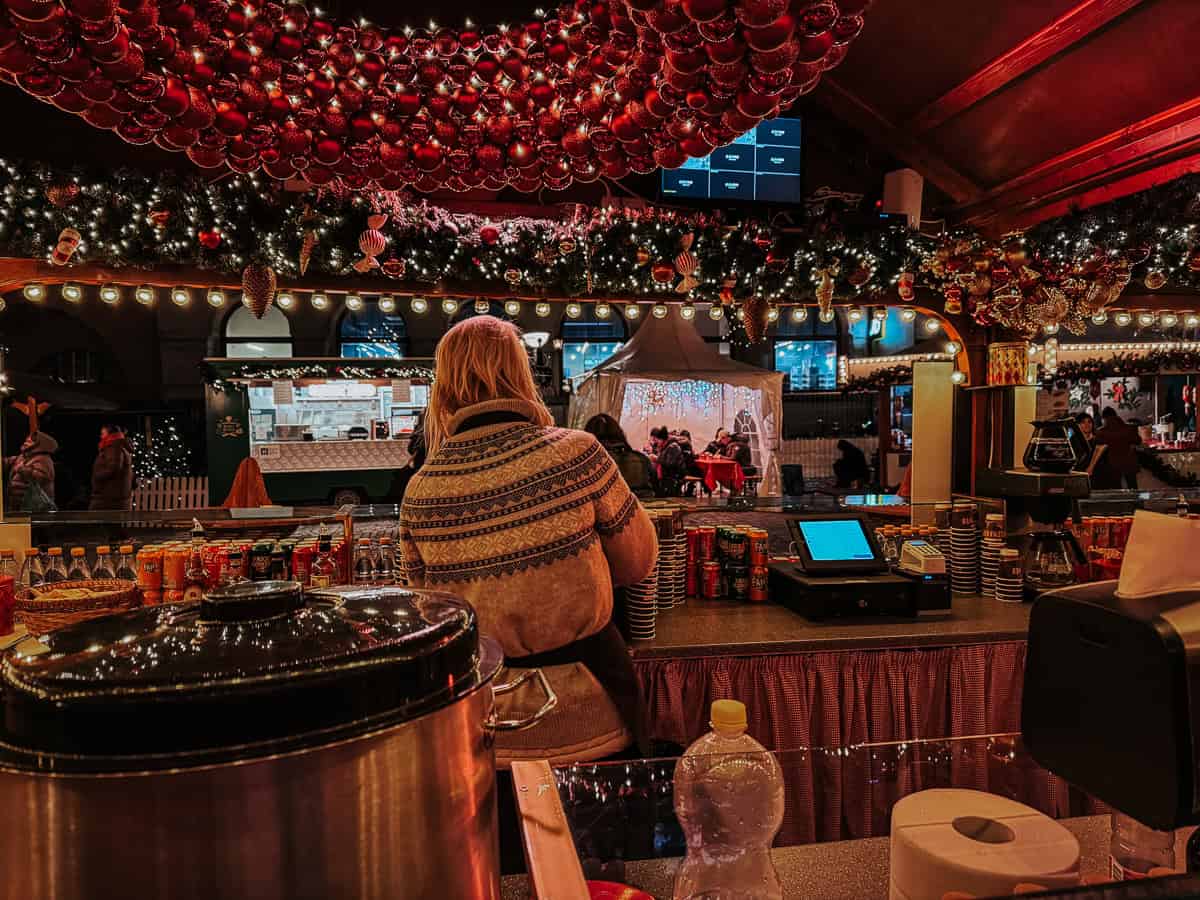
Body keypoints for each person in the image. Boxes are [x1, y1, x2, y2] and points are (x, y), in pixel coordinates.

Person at [399, 316, 657, 770]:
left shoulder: (421, 490)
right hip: (589, 717)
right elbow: (638, 562)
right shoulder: (577, 453)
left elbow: (430, 611)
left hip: (483, 723)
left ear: (443, 389)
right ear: (522, 376)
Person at [584, 413, 656, 498]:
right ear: (619, 433)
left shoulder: (586, 465)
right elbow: (657, 489)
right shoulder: (642, 459)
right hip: (644, 508)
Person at [5, 431, 57, 513]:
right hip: (19, 505)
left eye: (29, 441)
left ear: (39, 445)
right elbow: (8, 461)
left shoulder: (44, 459)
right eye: (26, 441)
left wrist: (22, 469)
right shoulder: (24, 456)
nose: (26, 443)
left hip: (34, 506)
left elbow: (42, 477)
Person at [1094, 407, 1142, 490]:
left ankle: (1121, 502)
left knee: (1116, 488)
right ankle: (1138, 502)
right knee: (1133, 486)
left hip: (1112, 464)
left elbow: (1097, 446)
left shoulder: (1101, 431)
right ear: (1116, 415)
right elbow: (1138, 441)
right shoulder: (1129, 428)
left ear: (1104, 418)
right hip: (1129, 462)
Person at [90, 424, 134, 510]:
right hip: (115, 496)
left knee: (96, 520)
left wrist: (97, 477)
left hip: (109, 497)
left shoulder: (113, 447)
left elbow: (114, 468)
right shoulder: (119, 446)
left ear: (110, 434)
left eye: (103, 433)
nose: (101, 436)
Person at [649, 425, 687, 496]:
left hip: (673, 478)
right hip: (668, 477)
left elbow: (670, 463)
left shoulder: (673, 447)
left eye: (657, 440)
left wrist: (656, 459)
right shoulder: (665, 446)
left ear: (662, 439)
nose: (656, 442)